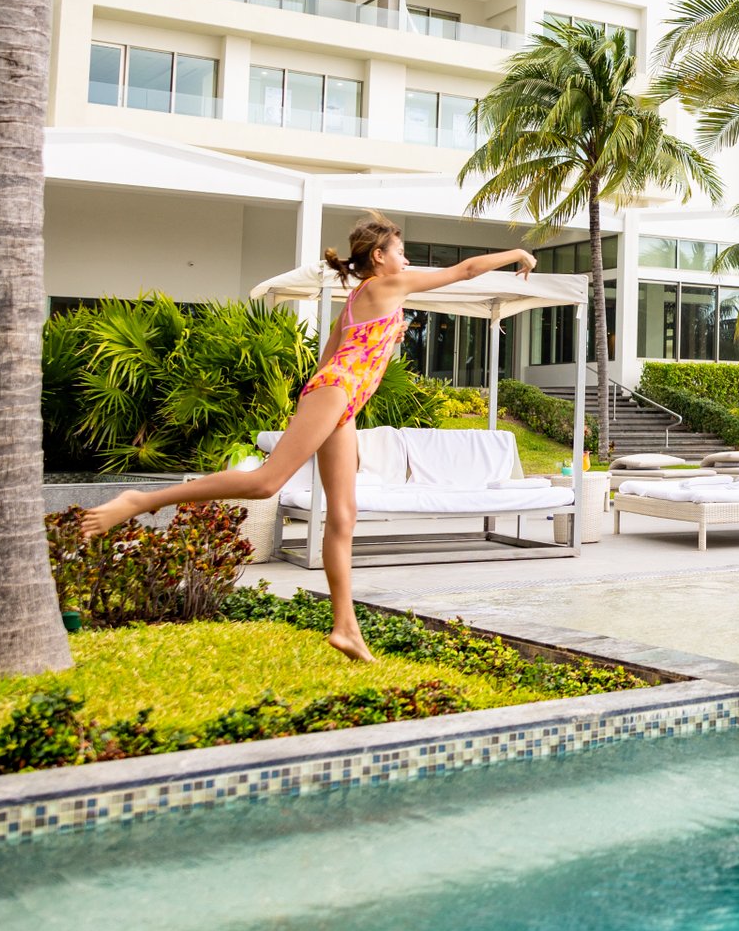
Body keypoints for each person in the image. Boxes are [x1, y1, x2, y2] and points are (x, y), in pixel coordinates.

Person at [79, 212, 537, 661]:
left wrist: (328, 409)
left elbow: (326, 358)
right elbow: (464, 270)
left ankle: (345, 628)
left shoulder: (360, 296)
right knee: (264, 483)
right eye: (402, 252)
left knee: (343, 515)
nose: (408, 260)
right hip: (336, 394)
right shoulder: (385, 286)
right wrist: (516, 251)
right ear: (379, 257)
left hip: (341, 400)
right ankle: (139, 501)